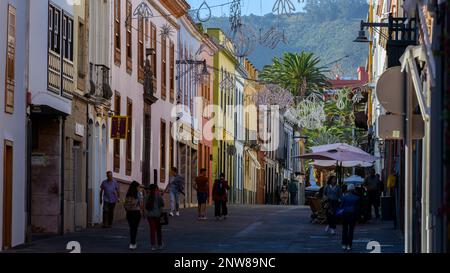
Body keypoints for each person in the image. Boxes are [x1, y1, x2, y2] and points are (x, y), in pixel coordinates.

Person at [124, 181, 144, 250]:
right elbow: (141, 205)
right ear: (136, 187)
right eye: (138, 187)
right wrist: (143, 212)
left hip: (129, 213)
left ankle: (132, 243)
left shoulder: (128, 194)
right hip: (136, 212)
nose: (139, 188)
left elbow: (125, 204)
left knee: (131, 228)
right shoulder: (138, 194)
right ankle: (133, 243)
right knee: (135, 228)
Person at [340, 184, 360, 251]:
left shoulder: (344, 197)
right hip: (353, 214)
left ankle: (344, 244)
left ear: (348, 190)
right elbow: (358, 208)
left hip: (345, 214)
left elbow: (341, 206)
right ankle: (349, 245)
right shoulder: (357, 198)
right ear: (353, 189)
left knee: (344, 230)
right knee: (351, 230)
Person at [145, 184, 164, 251]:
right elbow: (162, 204)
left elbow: (145, 206)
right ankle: (160, 244)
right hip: (157, 215)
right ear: (156, 188)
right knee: (158, 230)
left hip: (150, 215)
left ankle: (153, 245)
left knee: (152, 230)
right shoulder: (158, 195)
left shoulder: (147, 196)